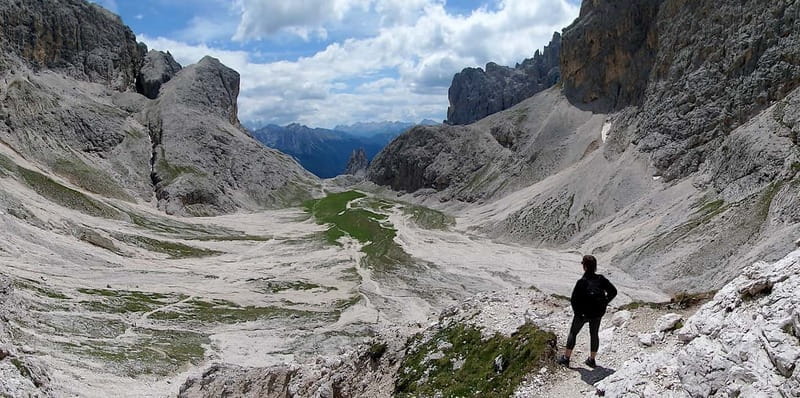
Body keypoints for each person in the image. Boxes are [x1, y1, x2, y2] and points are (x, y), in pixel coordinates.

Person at [557, 254, 617, 368]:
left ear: (584, 267)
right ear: (595, 267)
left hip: (582, 314)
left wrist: (578, 313)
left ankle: (566, 358)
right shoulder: (601, 279)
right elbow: (613, 291)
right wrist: (605, 302)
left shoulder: (582, 282)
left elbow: (574, 300)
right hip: (597, 313)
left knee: (573, 333)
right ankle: (592, 359)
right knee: (594, 334)